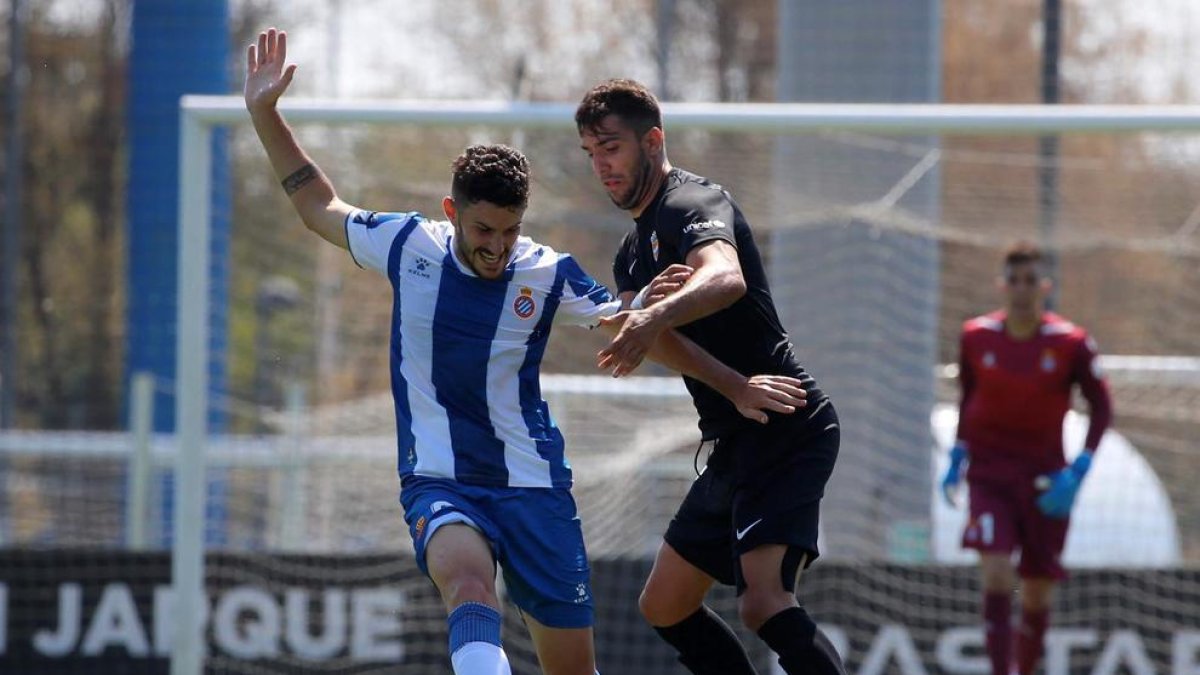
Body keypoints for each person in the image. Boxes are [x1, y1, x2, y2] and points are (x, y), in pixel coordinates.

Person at [245, 30, 810, 675]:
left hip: (535, 487)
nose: (498, 246)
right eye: (484, 229)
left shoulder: (547, 272)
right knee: (468, 586)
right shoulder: (406, 245)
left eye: (511, 230)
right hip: (440, 480)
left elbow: (633, 333)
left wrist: (723, 374)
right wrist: (266, 114)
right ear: (451, 212)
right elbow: (318, 205)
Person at [576, 79, 847, 675]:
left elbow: (725, 278)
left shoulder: (692, 203)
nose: (601, 165)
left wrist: (654, 313)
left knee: (763, 600)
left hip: (785, 421)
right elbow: (652, 337)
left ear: (653, 141)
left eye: (611, 148)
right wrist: (726, 381)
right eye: (591, 153)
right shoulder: (630, 251)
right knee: (665, 605)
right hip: (737, 429)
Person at [941, 241, 1113, 675]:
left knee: (1036, 592)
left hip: (1045, 482)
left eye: (1030, 280)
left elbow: (1103, 407)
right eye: (1014, 280)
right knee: (997, 573)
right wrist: (958, 454)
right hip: (989, 476)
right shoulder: (976, 336)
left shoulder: (1072, 343)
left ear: (1045, 287)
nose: (1022, 289)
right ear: (1002, 285)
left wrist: (1080, 469)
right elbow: (969, 396)